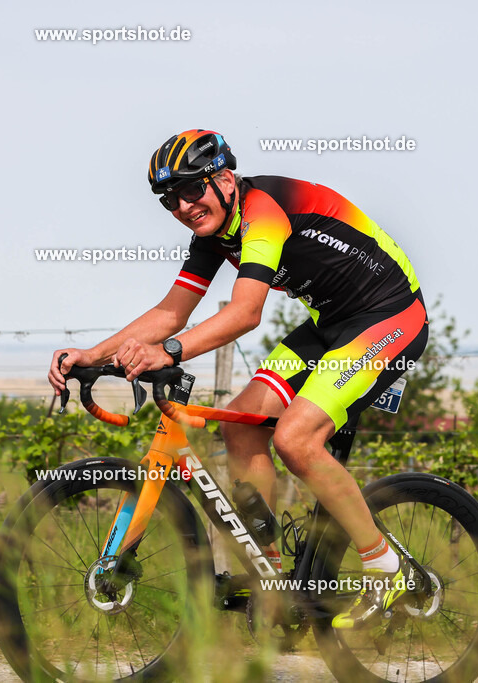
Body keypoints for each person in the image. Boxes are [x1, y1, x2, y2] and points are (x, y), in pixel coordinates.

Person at [48, 129, 429, 629]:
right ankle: (270, 577)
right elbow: (170, 312)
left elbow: (247, 312)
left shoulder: (263, 213)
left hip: (391, 316)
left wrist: (167, 353)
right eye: (170, 200)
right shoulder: (213, 234)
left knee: (296, 439)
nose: (183, 206)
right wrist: (94, 353)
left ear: (224, 179)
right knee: (241, 425)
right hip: (331, 324)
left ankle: (387, 568)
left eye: (191, 190)